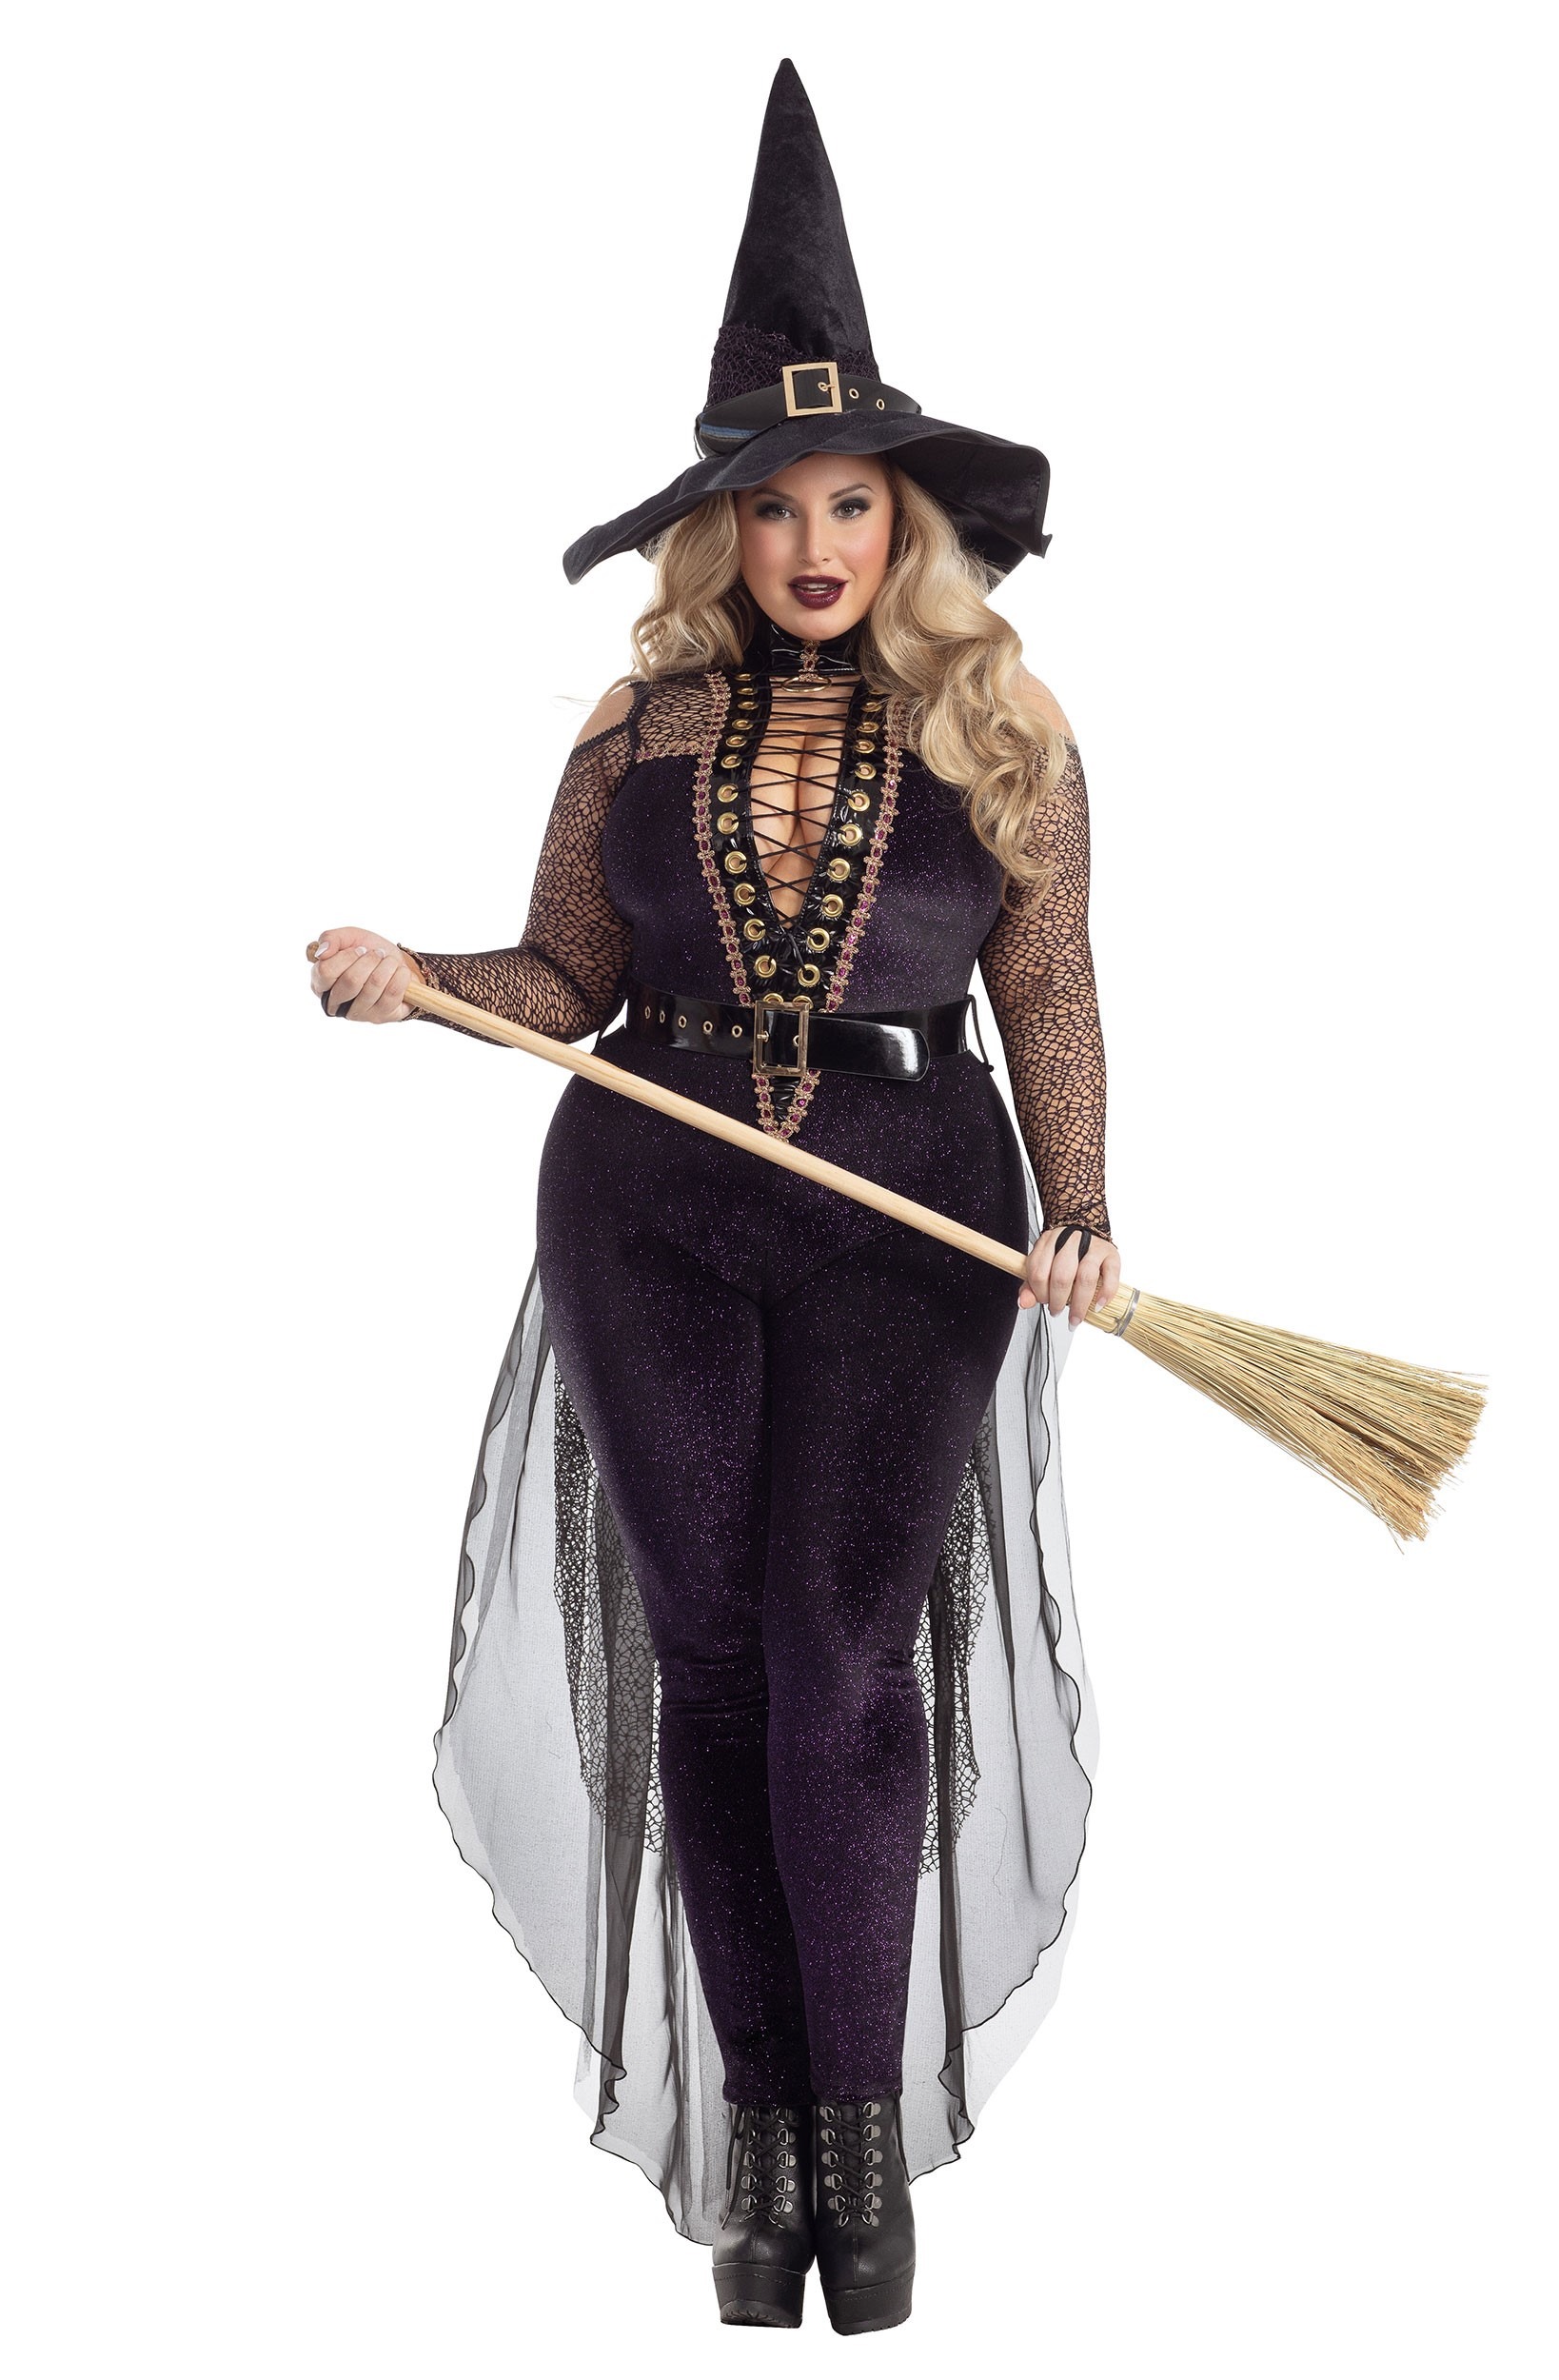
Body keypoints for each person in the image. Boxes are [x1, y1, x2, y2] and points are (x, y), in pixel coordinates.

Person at [306, 58, 1117, 2336]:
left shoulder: (1003, 726)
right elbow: (563, 979)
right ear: (721, 532)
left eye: (848, 501)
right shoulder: (630, 725)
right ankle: (759, 2151)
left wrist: (1079, 1203)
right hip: (646, 1205)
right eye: (769, 509)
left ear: (903, 517)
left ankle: (861, 2149)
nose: (812, 543)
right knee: (710, 1656)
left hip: (909, 1212)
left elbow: (1048, 985)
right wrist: (418, 981)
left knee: (845, 1656)